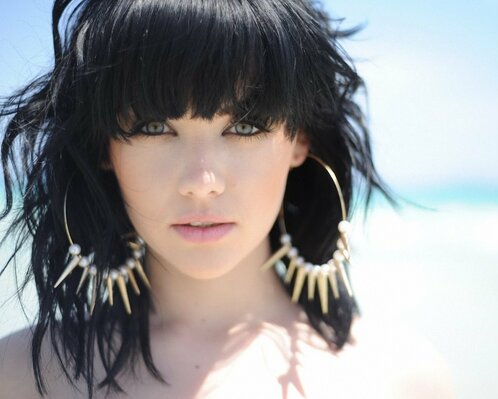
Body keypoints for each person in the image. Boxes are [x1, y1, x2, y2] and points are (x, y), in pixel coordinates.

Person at [0, 0, 454, 397]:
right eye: (155, 128)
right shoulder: (17, 377)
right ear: (104, 147)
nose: (202, 182)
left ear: (300, 139)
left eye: (244, 127)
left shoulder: (404, 379)